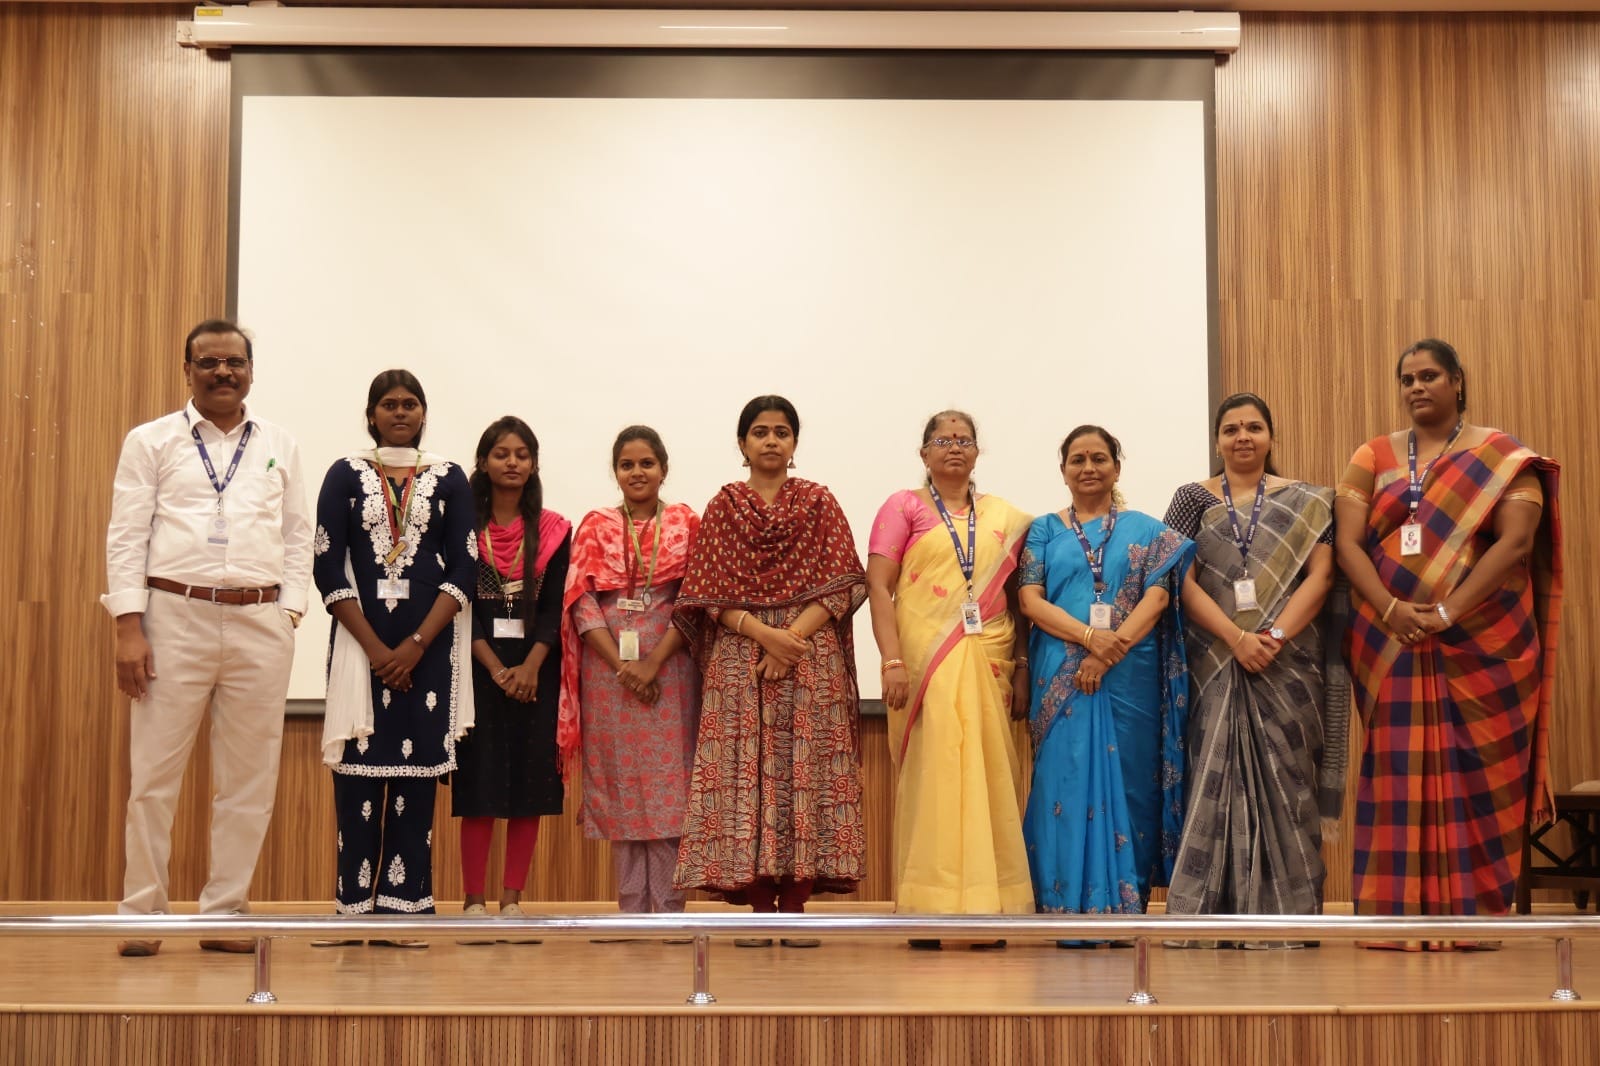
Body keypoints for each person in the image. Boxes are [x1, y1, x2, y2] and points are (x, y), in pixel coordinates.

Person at [1335, 339, 1562, 949]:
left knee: (1478, 775)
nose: (1417, 387)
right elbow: (1348, 544)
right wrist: (1390, 609)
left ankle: (1473, 915)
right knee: (1396, 774)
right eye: (1407, 378)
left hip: (1480, 646)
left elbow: (1516, 542)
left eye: (1430, 375)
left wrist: (1445, 611)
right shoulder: (1373, 455)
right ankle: (1393, 918)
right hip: (1391, 644)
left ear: (1458, 381)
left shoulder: (1501, 456)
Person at [103, 318, 313, 958]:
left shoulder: (280, 443)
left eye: (234, 362)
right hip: (173, 618)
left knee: (249, 780)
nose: (223, 372)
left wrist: (290, 610)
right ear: (187, 370)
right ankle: (143, 913)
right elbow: (126, 534)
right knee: (153, 776)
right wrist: (128, 625)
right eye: (209, 362)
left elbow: (298, 534)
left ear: (251, 371)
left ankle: (224, 911)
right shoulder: (151, 440)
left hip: (260, 621)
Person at [672, 395, 868, 948]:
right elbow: (706, 595)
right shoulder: (724, 506)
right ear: (742, 443)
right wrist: (766, 636)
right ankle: (759, 908)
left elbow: (845, 582)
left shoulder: (819, 502)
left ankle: (796, 905)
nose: (771, 440)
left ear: (795, 443)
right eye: (760, 431)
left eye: (782, 431)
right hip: (742, 657)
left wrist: (790, 640)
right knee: (746, 773)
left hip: (809, 658)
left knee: (805, 772)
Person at [1162, 393, 1345, 942]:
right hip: (1216, 664)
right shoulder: (1191, 499)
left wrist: (1273, 637)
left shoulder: (1310, 501)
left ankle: (1289, 917)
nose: (1242, 437)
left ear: (1271, 436)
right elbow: (1177, 580)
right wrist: (1236, 638)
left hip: (1287, 667)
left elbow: (1322, 576)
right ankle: (1209, 916)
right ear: (1217, 440)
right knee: (1213, 778)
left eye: (1254, 427)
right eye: (1231, 429)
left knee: (1290, 783)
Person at [312, 370, 476, 948]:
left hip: (428, 655)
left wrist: (414, 646)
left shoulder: (449, 478)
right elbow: (327, 567)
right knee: (357, 784)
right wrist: (379, 650)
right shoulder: (344, 473)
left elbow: (464, 569)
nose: (400, 412)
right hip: (361, 653)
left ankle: (406, 911)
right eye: (389, 404)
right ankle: (353, 912)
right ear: (371, 415)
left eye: (410, 403)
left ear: (423, 413)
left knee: (415, 784)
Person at [866, 410, 1034, 950]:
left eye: (964, 439)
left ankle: (991, 908)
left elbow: (1019, 600)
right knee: (934, 780)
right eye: (943, 440)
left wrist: (1023, 667)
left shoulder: (1006, 518)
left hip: (990, 662)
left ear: (978, 452)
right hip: (925, 667)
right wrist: (892, 661)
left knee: (989, 777)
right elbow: (878, 586)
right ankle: (927, 908)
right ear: (924, 453)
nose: (954, 447)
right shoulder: (904, 507)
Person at [1018, 425, 1193, 941]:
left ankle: (1124, 908)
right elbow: (1030, 600)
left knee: (1132, 783)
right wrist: (1091, 637)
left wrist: (1110, 649)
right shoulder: (1043, 530)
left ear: (1117, 467)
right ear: (1063, 471)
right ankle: (1061, 909)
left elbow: (1157, 598)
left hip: (1128, 674)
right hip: (1062, 673)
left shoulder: (1148, 530)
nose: (1088, 467)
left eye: (1099, 458)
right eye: (1077, 459)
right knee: (1064, 782)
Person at [558, 426, 700, 929]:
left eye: (646, 463)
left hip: (671, 671)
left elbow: (694, 602)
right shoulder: (595, 526)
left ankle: (670, 913)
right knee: (620, 791)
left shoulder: (686, 523)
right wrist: (624, 667)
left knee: (668, 791)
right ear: (615, 471)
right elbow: (580, 602)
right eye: (627, 464)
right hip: (608, 676)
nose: (637, 472)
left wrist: (653, 662)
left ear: (664, 468)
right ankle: (631, 914)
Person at [453, 417, 570, 943]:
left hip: (536, 674)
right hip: (479, 673)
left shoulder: (555, 531)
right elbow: (462, 610)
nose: (512, 462)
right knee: (479, 787)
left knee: (529, 787)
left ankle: (512, 900)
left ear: (534, 464)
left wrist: (529, 667)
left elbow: (554, 608)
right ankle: (473, 900)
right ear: (483, 462)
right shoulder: (462, 529)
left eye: (522, 454)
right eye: (502, 453)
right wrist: (497, 669)